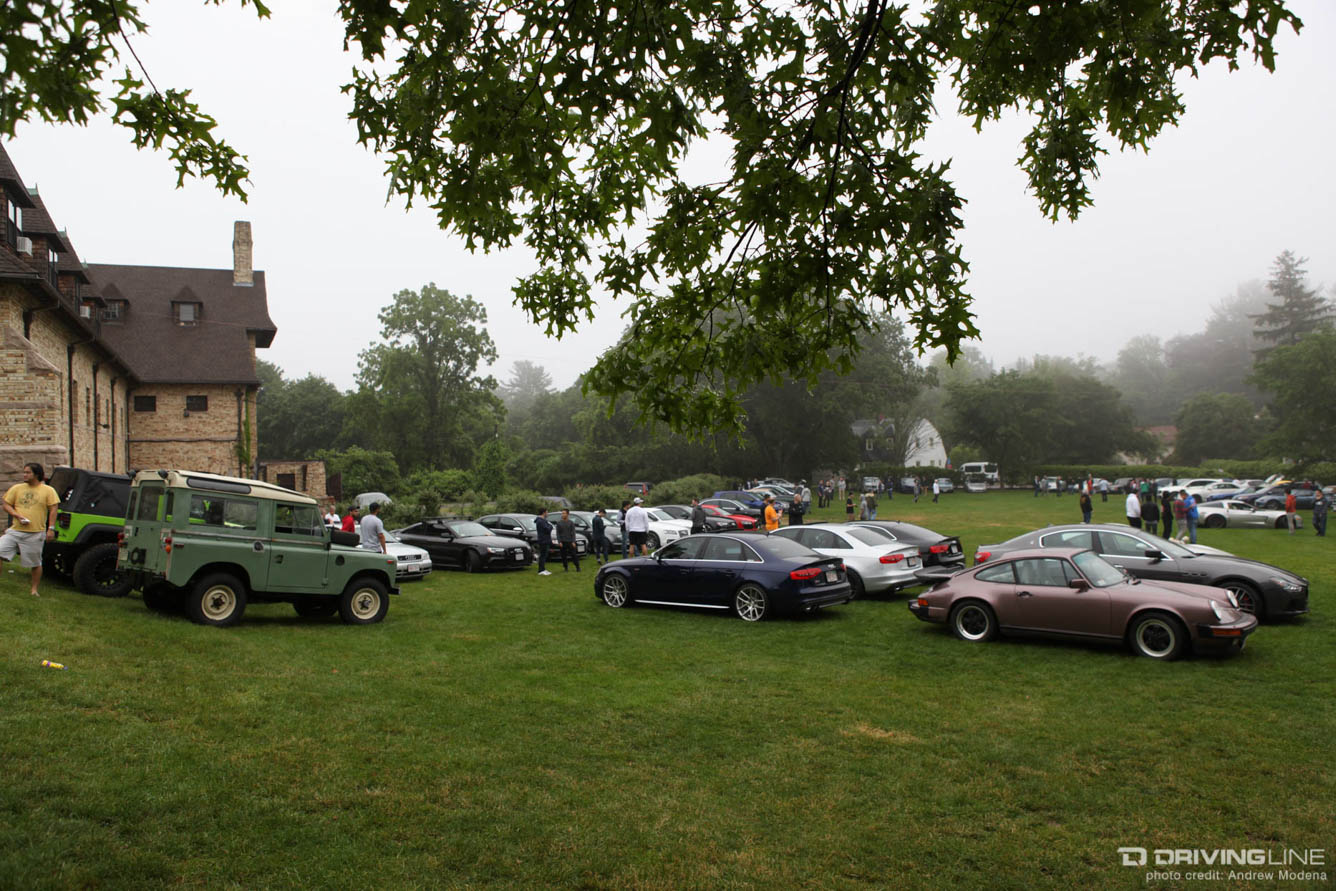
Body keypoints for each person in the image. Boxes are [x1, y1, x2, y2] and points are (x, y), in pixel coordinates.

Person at [1, 462, 61, 597]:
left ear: (37, 474)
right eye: (24, 472)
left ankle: (34, 590)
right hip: (15, 530)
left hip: (35, 533)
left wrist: (51, 529)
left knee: (35, 563)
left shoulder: (48, 491)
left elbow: (53, 510)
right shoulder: (17, 488)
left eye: (28, 472)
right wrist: (16, 514)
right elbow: (6, 504)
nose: (24, 474)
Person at [534, 507, 554, 575]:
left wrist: (549, 526)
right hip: (543, 540)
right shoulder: (540, 521)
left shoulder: (543, 520)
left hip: (545, 540)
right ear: (544, 512)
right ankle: (541, 570)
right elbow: (548, 529)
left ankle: (543, 569)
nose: (547, 513)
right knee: (543, 555)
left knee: (544, 555)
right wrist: (550, 527)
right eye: (547, 512)